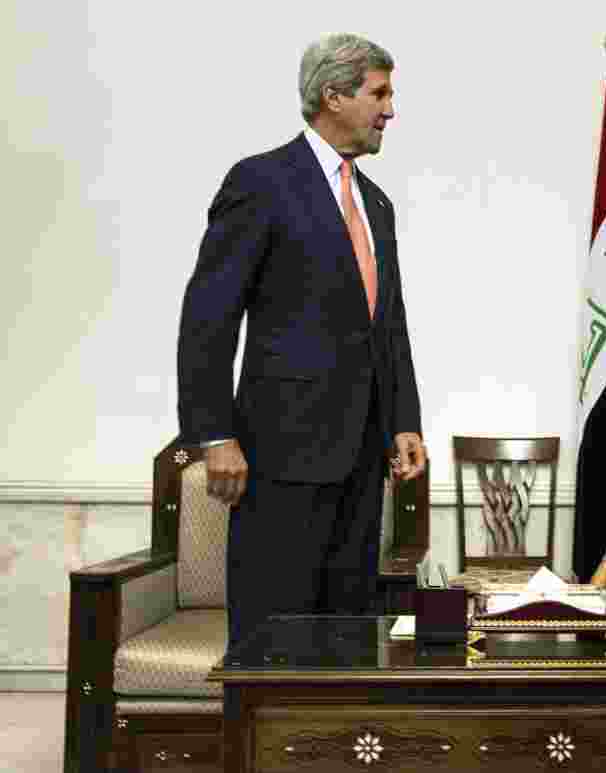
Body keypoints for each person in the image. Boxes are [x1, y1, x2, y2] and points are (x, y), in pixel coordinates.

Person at [177, 33, 426, 649]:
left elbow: (387, 325)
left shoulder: (377, 203)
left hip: (363, 456)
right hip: (279, 455)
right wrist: (215, 433)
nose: (390, 109)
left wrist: (404, 421)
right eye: (380, 93)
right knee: (273, 630)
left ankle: (335, 748)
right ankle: (257, 749)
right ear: (333, 95)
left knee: (345, 632)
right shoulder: (261, 181)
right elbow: (208, 315)